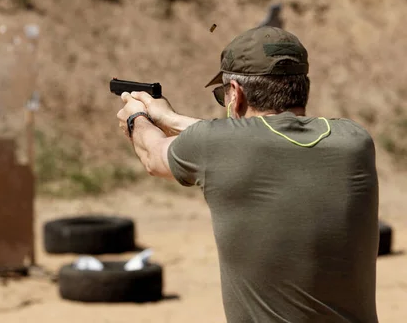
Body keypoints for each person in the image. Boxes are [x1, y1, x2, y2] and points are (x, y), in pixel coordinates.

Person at [116, 26, 379, 322]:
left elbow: (154, 156)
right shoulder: (353, 140)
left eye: (223, 94)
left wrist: (137, 116)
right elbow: (243, 139)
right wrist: (170, 118)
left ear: (236, 94)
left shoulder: (215, 143)